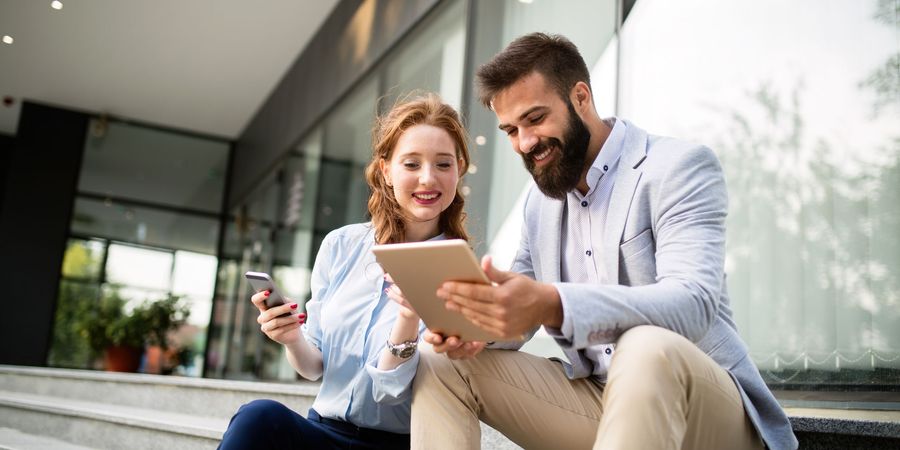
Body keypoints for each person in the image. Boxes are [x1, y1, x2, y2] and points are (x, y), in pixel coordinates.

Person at [411, 33, 798, 450]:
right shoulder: (540, 206)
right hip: (601, 402)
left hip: (706, 413)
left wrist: (552, 303)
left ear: (580, 97)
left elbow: (694, 303)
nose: (525, 142)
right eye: (511, 130)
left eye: (536, 118)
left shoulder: (676, 168)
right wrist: (476, 326)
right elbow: (519, 308)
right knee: (440, 363)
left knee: (645, 344)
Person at [218, 93, 472, 450]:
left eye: (443, 164)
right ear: (386, 169)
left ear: (459, 169)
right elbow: (314, 367)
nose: (428, 179)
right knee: (258, 417)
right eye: (412, 164)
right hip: (324, 431)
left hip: (397, 443)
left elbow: (390, 389)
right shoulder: (342, 245)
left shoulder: (458, 272)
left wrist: (409, 314)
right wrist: (291, 337)